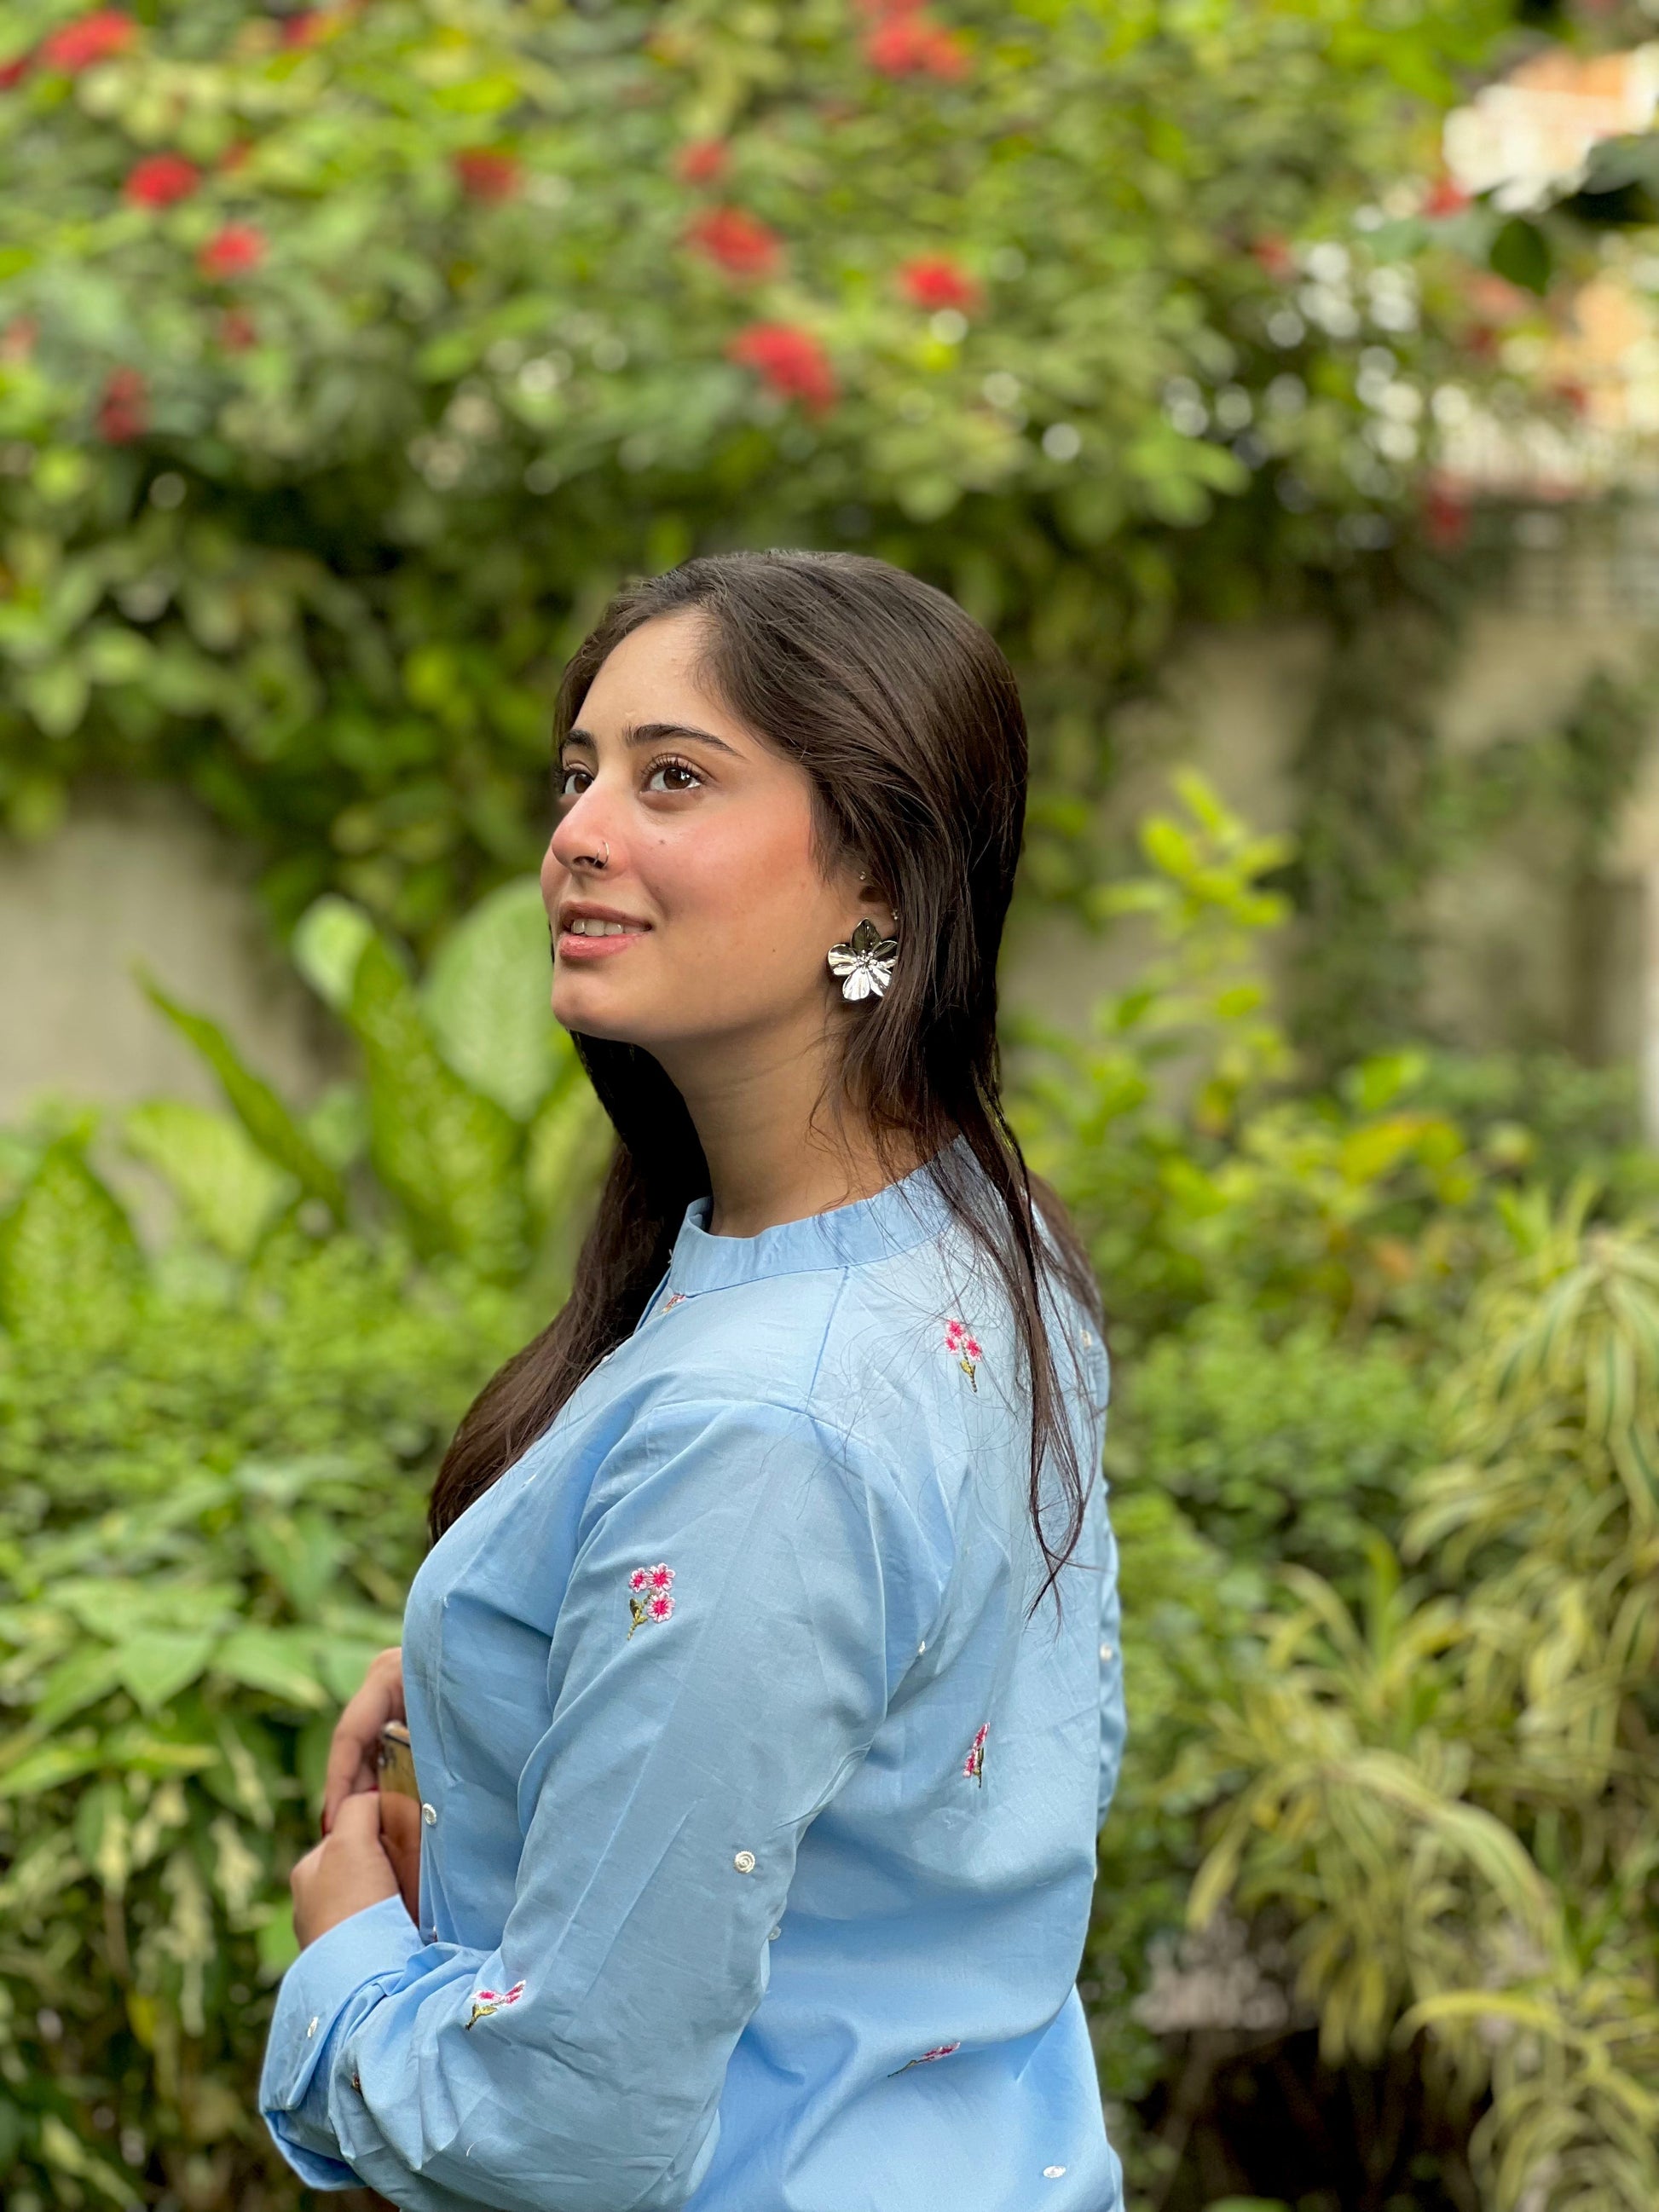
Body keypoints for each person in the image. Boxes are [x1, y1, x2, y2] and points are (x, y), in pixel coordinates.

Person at [258, 550, 1128, 2211]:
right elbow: (943, 1729)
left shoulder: (767, 1423)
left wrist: (348, 1961)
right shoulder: (973, 1232)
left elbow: (563, 2132)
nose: (578, 834)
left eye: (672, 778)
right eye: (577, 772)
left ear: (876, 877)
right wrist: (522, 1679)